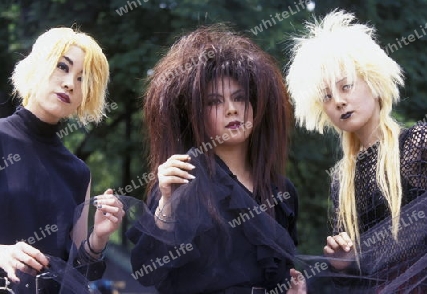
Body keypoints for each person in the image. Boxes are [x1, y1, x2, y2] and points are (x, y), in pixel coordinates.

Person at [126, 25, 307, 294]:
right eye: (214, 102)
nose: (232, 109)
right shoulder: (182, 179)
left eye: (240, 98)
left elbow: (286, 269)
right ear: (195, 115)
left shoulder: (282, 191)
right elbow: (147, 270)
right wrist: (166, 203)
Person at [286, 10, 427, 293]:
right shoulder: (342, 182)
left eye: (346, 86)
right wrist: (342, 263)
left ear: (373, 83)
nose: (338, 101)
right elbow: (356, 278)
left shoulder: (422, 143)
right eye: (326, 96)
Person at [0, 27, 125, 293]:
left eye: (83, 79)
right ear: (36, 66)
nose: (70, 83)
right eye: (62, 67)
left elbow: (78, 272)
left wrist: (99, 238)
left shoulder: (78, 172)